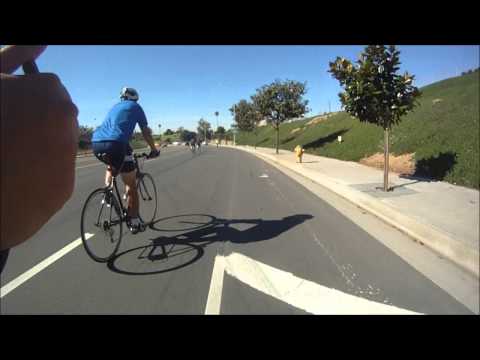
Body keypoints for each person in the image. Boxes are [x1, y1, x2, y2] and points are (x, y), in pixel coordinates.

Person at [1, 45, 79, 274]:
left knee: (113, 167)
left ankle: (108, 184)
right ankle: (133, 219)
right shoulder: (134, 109)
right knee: (131, 182)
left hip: (102, 147)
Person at [91, 87, 159, 234]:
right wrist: (153, 149)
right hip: (117, 143)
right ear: (135, 98)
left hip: (96, 142)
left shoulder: (114, 107)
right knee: (131, 186)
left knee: (112, 164)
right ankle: (134, 221)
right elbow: (145, 131)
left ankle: (107, 191)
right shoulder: (136, 107)